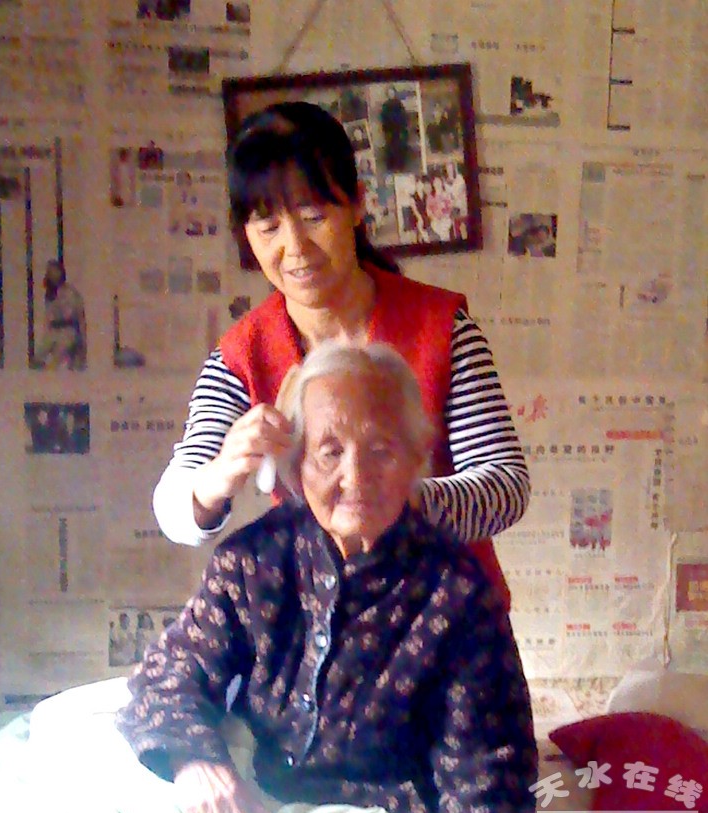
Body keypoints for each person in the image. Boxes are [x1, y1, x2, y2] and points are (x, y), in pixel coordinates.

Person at [118, 341, 538, 813]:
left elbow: (489, 782)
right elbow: (169, 672)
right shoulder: (253, 561)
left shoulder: (458, 596)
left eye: (381, 451)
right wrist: (194, 761)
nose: (355, 478)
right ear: (297, 466)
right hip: (257, 802)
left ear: (415, 460)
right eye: (330, 452)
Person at [152, 100, 529, 606]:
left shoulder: (444, 330)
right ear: (246, 235)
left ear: (356, 205)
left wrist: (398, 498)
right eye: (268, 227)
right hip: (328, 625)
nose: (295, 247)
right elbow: (175, 510)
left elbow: (506, 487)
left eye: (313, 216)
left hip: (454, 619)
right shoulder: (240, 356)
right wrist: (216, 477)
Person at [31, 259, 87, 370]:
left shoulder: (70, 293)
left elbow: (79, 316)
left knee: (56, 359)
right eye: (50, 273)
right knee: (38, 357)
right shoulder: (50, 295)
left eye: (54, 272)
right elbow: (48, 317)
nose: (52, 276)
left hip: (68, 331)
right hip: (53, 331)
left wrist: (81, 341)